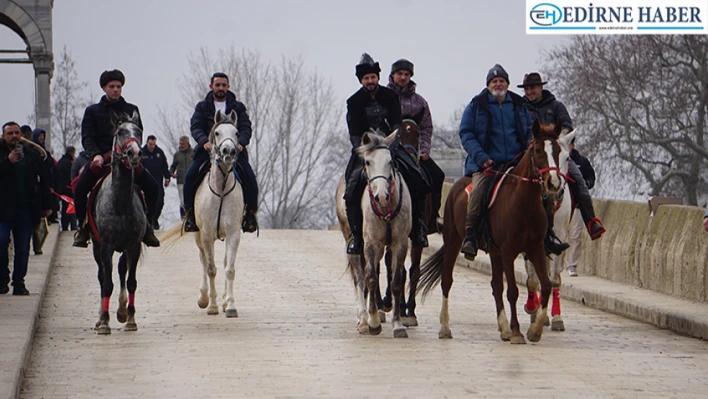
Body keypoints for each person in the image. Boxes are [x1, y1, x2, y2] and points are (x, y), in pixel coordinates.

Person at [458, 64, 567, 260]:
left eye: (502, 81)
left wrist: (528, 152)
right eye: (494, 81)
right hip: (488, 165)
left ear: (507, 84)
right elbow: (466, 133)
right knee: (479, 192)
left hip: (515, 163)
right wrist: (481, 158)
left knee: (545, 194)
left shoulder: (518, 104)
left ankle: (547, 237)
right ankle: (471, 237)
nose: (498, 84)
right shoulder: (476, 105)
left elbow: (528, 132)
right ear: (488, 85)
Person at [344, 53, 430, 254]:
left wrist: (391, 147)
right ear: (361, 80)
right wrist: (364, 151)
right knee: (351, 189)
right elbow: (354, 133)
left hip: (391, 147)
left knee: (417, 178)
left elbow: (397, 123)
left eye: (373, 77)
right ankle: (356, 236)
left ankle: (418, 229)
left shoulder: (389, 97)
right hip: (365, 151)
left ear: (378, 78)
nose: (370, 81)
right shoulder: (353, 102)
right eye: (366, 78)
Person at [518, 72, 606, 262]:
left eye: (533, 88)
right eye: (526, 89)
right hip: (531, 156)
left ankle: (591, 221)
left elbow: (567, 127)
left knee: (579, 181)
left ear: (541, 87)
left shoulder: (556, 106)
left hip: (555, 154)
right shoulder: (520, 108)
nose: (530, 91)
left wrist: (559, 143)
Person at [72, 69, 161, 248]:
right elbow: (87, 137)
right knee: (80, 188)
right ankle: (83, 228)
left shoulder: (131, 110)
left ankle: (148, 226)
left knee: (153, 188)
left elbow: (138, 134)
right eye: (111, 86)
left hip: (127, 159)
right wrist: (95, 154)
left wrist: (133, 151)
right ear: (104, 88)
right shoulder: (93, 111)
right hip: (102, 159)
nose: (115, 90)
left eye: (118, 86)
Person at [182, 72, 259, 233]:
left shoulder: (238, 107)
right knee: (190, 177)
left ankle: (250, 216)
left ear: (228, 87)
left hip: (234, 152)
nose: (221, 88)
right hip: (209, 151)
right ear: (211, 87)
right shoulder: (202, 107)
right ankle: (189, 215)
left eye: (224, 85)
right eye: (217, 85)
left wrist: (241, 143)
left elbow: (246, 127)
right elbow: (195, 126)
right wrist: (204, 141)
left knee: (251, 180)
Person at [387, 58, 445, 233]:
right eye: (400, 74)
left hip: (414, 153)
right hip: (390, 151)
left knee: (437, 175)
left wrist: (425, 150)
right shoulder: (384, 97)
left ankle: (431, 218)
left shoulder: (420, 102)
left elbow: (426, 127)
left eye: (407, 74)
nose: (403, 77)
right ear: (393, 76)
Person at [0, 121, 52, 295]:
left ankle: (19, 282)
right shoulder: (2, 154)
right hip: (3, 209)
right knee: (1, 243)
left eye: (17, 133)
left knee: (23, 248)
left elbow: (44, 180)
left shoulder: (31, 154)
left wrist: (46, 205)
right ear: (3, 136)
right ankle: (2, 278)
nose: (14, 136)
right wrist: (8, 162)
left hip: (26, 209)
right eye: (10, 133)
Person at [141, 135, 170, 229]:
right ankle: (147, 220)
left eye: (153, 144)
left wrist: (167, 178)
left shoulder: (159, 152)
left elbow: (164, 166)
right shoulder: (141, 152)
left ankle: (154, 220)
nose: (152, 146)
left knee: (160, 201)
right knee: (146, 202)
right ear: (147, 143)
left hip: (158, 182)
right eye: (150, 144)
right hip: (145, 183)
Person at [170, 135, 193, 218]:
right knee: (182, 201)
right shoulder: (177, 155)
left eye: (183, 144)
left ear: (187, 143)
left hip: (192, 181)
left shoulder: (193, 153)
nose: (181, 145)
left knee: (191, 199)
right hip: (181, 181)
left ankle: (191, 217)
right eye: (180, 143)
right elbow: (173, 166)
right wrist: (171, 173)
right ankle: (183, 218)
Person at [56, 146, 77, 231]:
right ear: (72, 152)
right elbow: (71, 177)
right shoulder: (70, 163)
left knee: (64, 208)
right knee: (71, 208)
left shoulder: (60, 162)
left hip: (61, 189)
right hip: (68, 189)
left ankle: (65, 226)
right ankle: (73, 226)